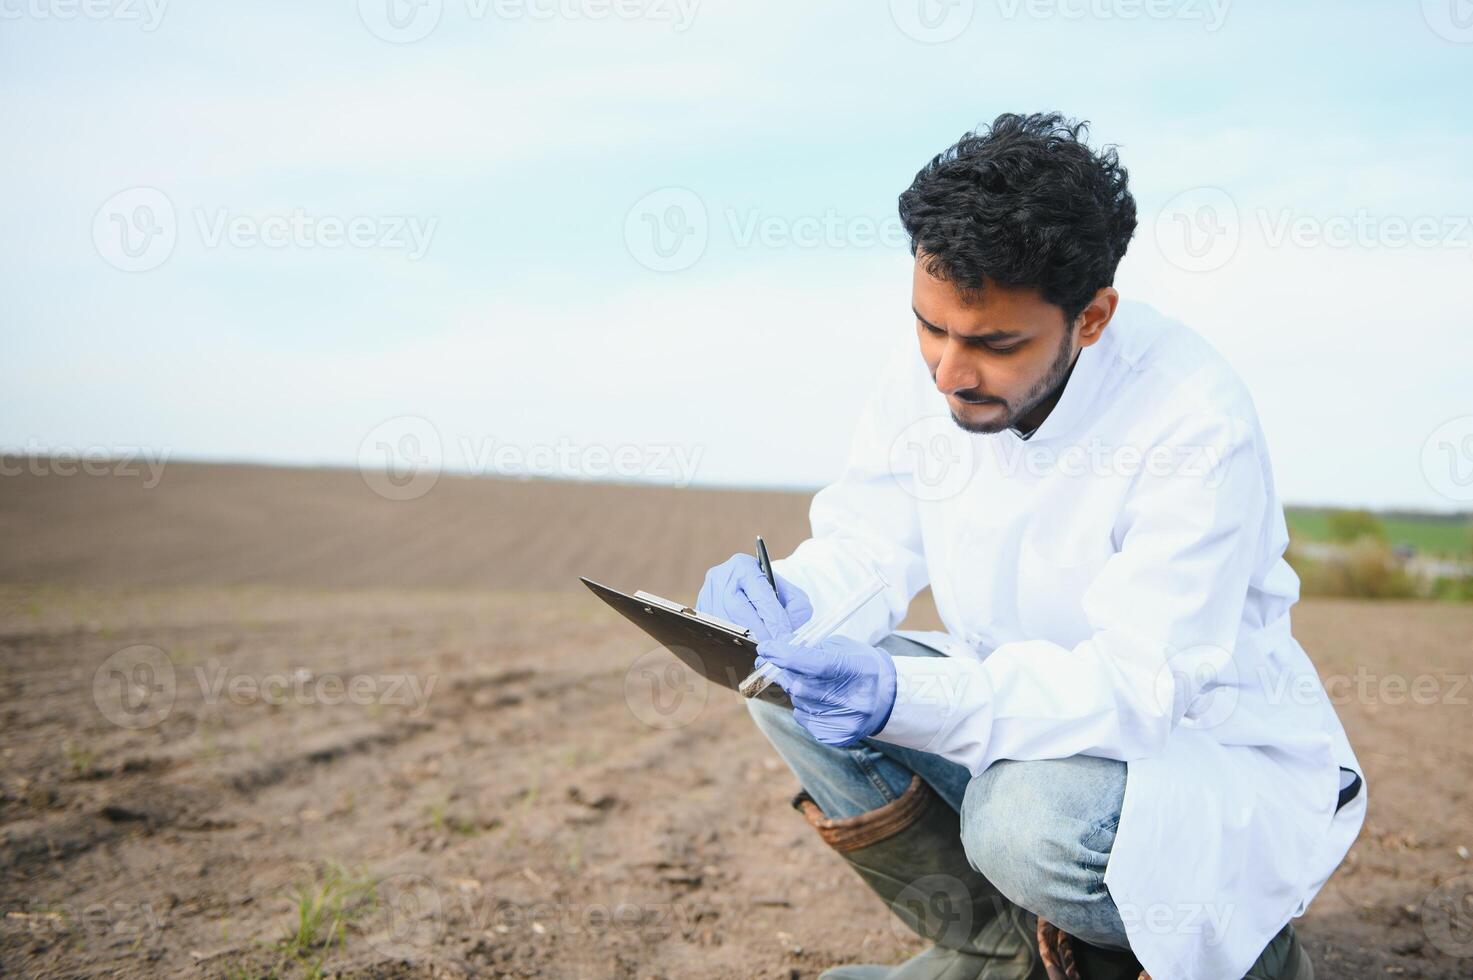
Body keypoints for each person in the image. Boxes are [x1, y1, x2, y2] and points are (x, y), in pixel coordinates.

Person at [696, 112, 1364, 980]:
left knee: (1021, 820)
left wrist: (901, 691)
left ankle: (1254, 961)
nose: (946, 371)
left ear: (1090, 318)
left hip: (1188, 754)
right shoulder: (935, 370)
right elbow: (866, 542)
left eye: (992, 343)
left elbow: (1135, 688)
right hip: (1023, 715)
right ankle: (1004, 956)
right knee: (783, 678)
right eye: (927, 327)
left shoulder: (1194, 421)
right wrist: (794, 597)